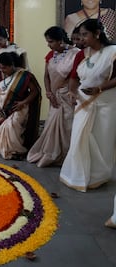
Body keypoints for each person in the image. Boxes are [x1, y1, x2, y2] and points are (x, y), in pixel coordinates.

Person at [59, 19, 116, 192]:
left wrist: (100, 87)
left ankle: (98, 175)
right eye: (81, 35)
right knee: (79, 136)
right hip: (83, 101)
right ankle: (76, 175)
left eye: (85, 34)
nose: (82, 39)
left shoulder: (112, 52)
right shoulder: (81, 54)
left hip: (106, 102)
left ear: (97, 34)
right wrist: (71, 91)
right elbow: (74, 77)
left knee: (101, 139)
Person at [27, 26, 80, 167]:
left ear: (60, 41)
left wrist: (66, 91)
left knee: (67, 126)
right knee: (51, 125)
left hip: (68, 96)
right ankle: (51, 152)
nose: (48, 45)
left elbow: (77, 77)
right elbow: (46, 76)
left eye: (50, 42)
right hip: (54, 97)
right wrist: (49, 93)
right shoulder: (51, 55)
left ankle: (66, 156)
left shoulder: (76, 54)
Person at [0, 52, 41, 160]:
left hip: (19, 107)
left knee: (12, 125)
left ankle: (16, 150)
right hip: (4, 109)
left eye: (4, 68)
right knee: (3, 127)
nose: (2, 70)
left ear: (12, 65)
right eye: (0, 67)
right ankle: (7, 148)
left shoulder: (24, 76)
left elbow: (35, 91)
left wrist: (23, 102)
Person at [0, 26, 28, 145]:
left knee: (7, 110)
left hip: (10, 85)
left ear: (6, 38)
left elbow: (22, 65)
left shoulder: (14, 48)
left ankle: (5, 139)